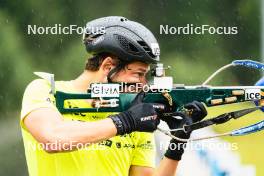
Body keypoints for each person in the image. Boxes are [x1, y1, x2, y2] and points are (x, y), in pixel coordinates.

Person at [20, 16, 207, 176]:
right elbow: (53, 140)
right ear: (108, 67)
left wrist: (177, 143)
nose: (143, 85)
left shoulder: (132, 111)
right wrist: (124, 122)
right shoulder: (45, 89)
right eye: (138, 74)